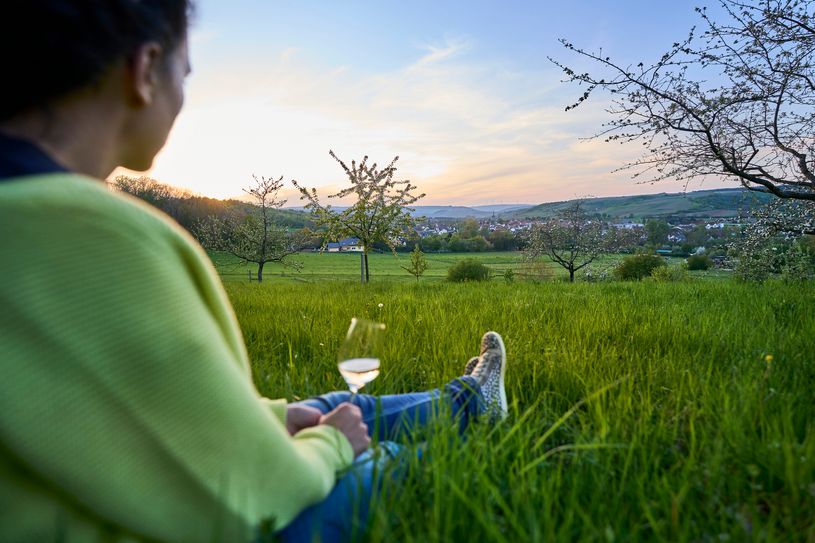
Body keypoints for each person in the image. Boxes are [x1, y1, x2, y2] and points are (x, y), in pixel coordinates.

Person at [0, 1, 509, 542]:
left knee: (330, 406)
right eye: (185, 73)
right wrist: (334, 446)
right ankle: (465, 438)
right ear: (145, 69)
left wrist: (272, 421)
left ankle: (473, 399)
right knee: (380, 455)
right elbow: (243, 500)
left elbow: (99, 417)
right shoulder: (88, 234)